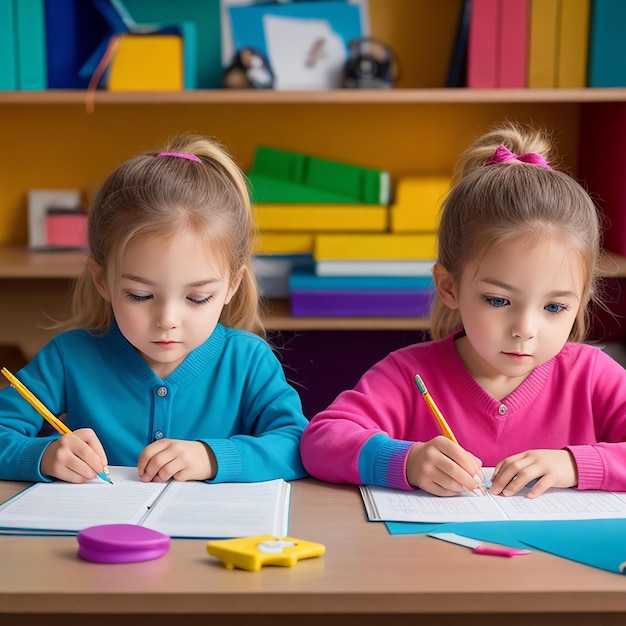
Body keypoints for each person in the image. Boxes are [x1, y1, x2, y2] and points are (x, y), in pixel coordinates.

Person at [301, 122, 626, 499]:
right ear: (450, 287)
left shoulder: (592, 377)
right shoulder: (409, 375)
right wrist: (404, 460)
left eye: (554, 306)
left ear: (581, 300)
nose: (525, 328)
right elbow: (320, 440)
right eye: (499, 301)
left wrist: (572, 464)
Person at [0, 132, 308, 484]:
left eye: (197, 298)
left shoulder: (247, 361)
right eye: (140, 296)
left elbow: (298, 446)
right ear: (103, 281)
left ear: (231, 286)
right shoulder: (68, 358)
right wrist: (41, 455)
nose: (167, 320)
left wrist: (212, 457)